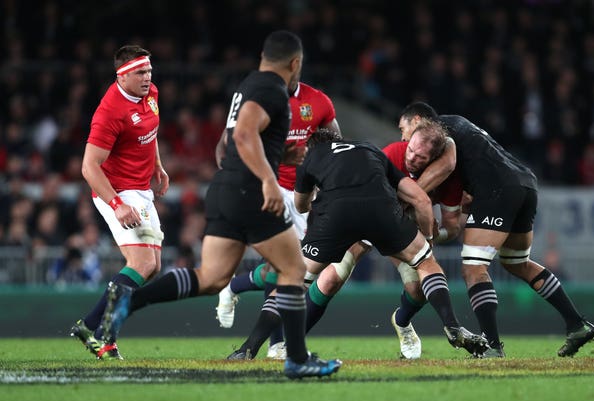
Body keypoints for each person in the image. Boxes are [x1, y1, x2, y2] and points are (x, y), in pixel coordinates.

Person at [97, 30, 342, 379]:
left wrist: (284, 153)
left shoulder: (248, 86)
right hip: (251, 191)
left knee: (211, 278)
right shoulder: (271, 89)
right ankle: (297, 358)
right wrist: (270, 181)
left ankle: (129, 301)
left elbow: (238, 141)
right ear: (295, 63)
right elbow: (242, 136)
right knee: (293, 270)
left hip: (226, 188)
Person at [224, 128, 489, 360]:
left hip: (337, 215)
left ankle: (248, 348)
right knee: (426, 263)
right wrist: (426, 242)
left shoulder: (311, 157)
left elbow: (300, 205)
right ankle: (452, 324)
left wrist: (318, 193)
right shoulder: (372, 150)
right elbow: (419, 200)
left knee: (293, 281)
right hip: (383, 211)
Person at [399, 101, 594, 358]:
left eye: (403, 128)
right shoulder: (459, 126)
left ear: (417, 120)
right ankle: (577, 324)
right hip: (525, 184)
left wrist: (407, 199)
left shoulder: (440, 132)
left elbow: (447, 166)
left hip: (499, 189)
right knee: (518, 263)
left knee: (473, 268)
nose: (403, 138)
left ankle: (492, 346)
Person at [214, 77, 341, 359]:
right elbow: (225, 146)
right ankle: (276, 345)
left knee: (290, 267)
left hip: (304, 194)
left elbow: (336, 142)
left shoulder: (318, 101)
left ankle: (233, 286)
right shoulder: (255, 100)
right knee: (284, 265)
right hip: (267, 187)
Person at [69, 45, 169, 360]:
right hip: (116, 190)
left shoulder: (150, 93)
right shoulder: (110, 112)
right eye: (140, 72)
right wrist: (116, 204)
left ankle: (92, 327)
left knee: (153, 268)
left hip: (141, 188)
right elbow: (89, 167)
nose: (147, 77)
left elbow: (149, 132)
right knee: (142, 264)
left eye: (149, 71)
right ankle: (101, 336)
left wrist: (157, 166)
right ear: (121, 76)